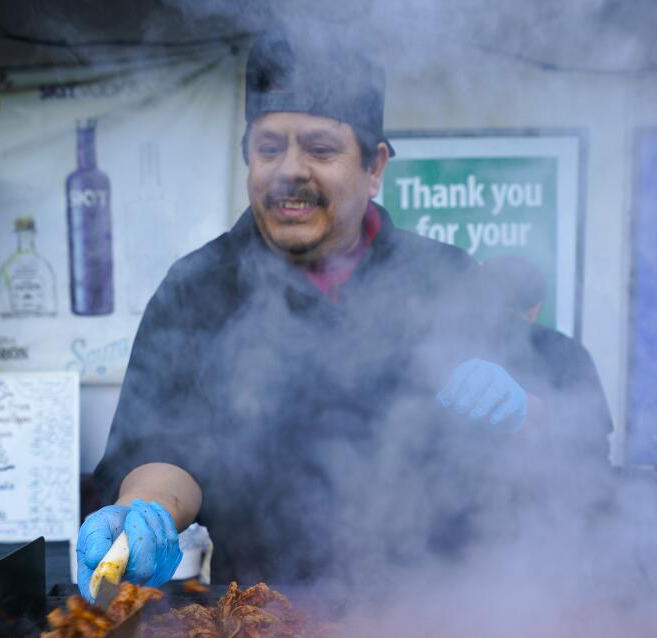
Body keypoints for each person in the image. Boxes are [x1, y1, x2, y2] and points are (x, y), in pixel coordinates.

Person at [77, 24, 612, 598]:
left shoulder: (447, 277)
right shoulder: (198, 287)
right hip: (263, 632)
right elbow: (157, 447)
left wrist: (521, 411)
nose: (290, 170)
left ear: (375, 167)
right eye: (269, 148)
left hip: (441, 628)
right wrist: (145, 509)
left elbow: (567, 450)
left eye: (321, 149)